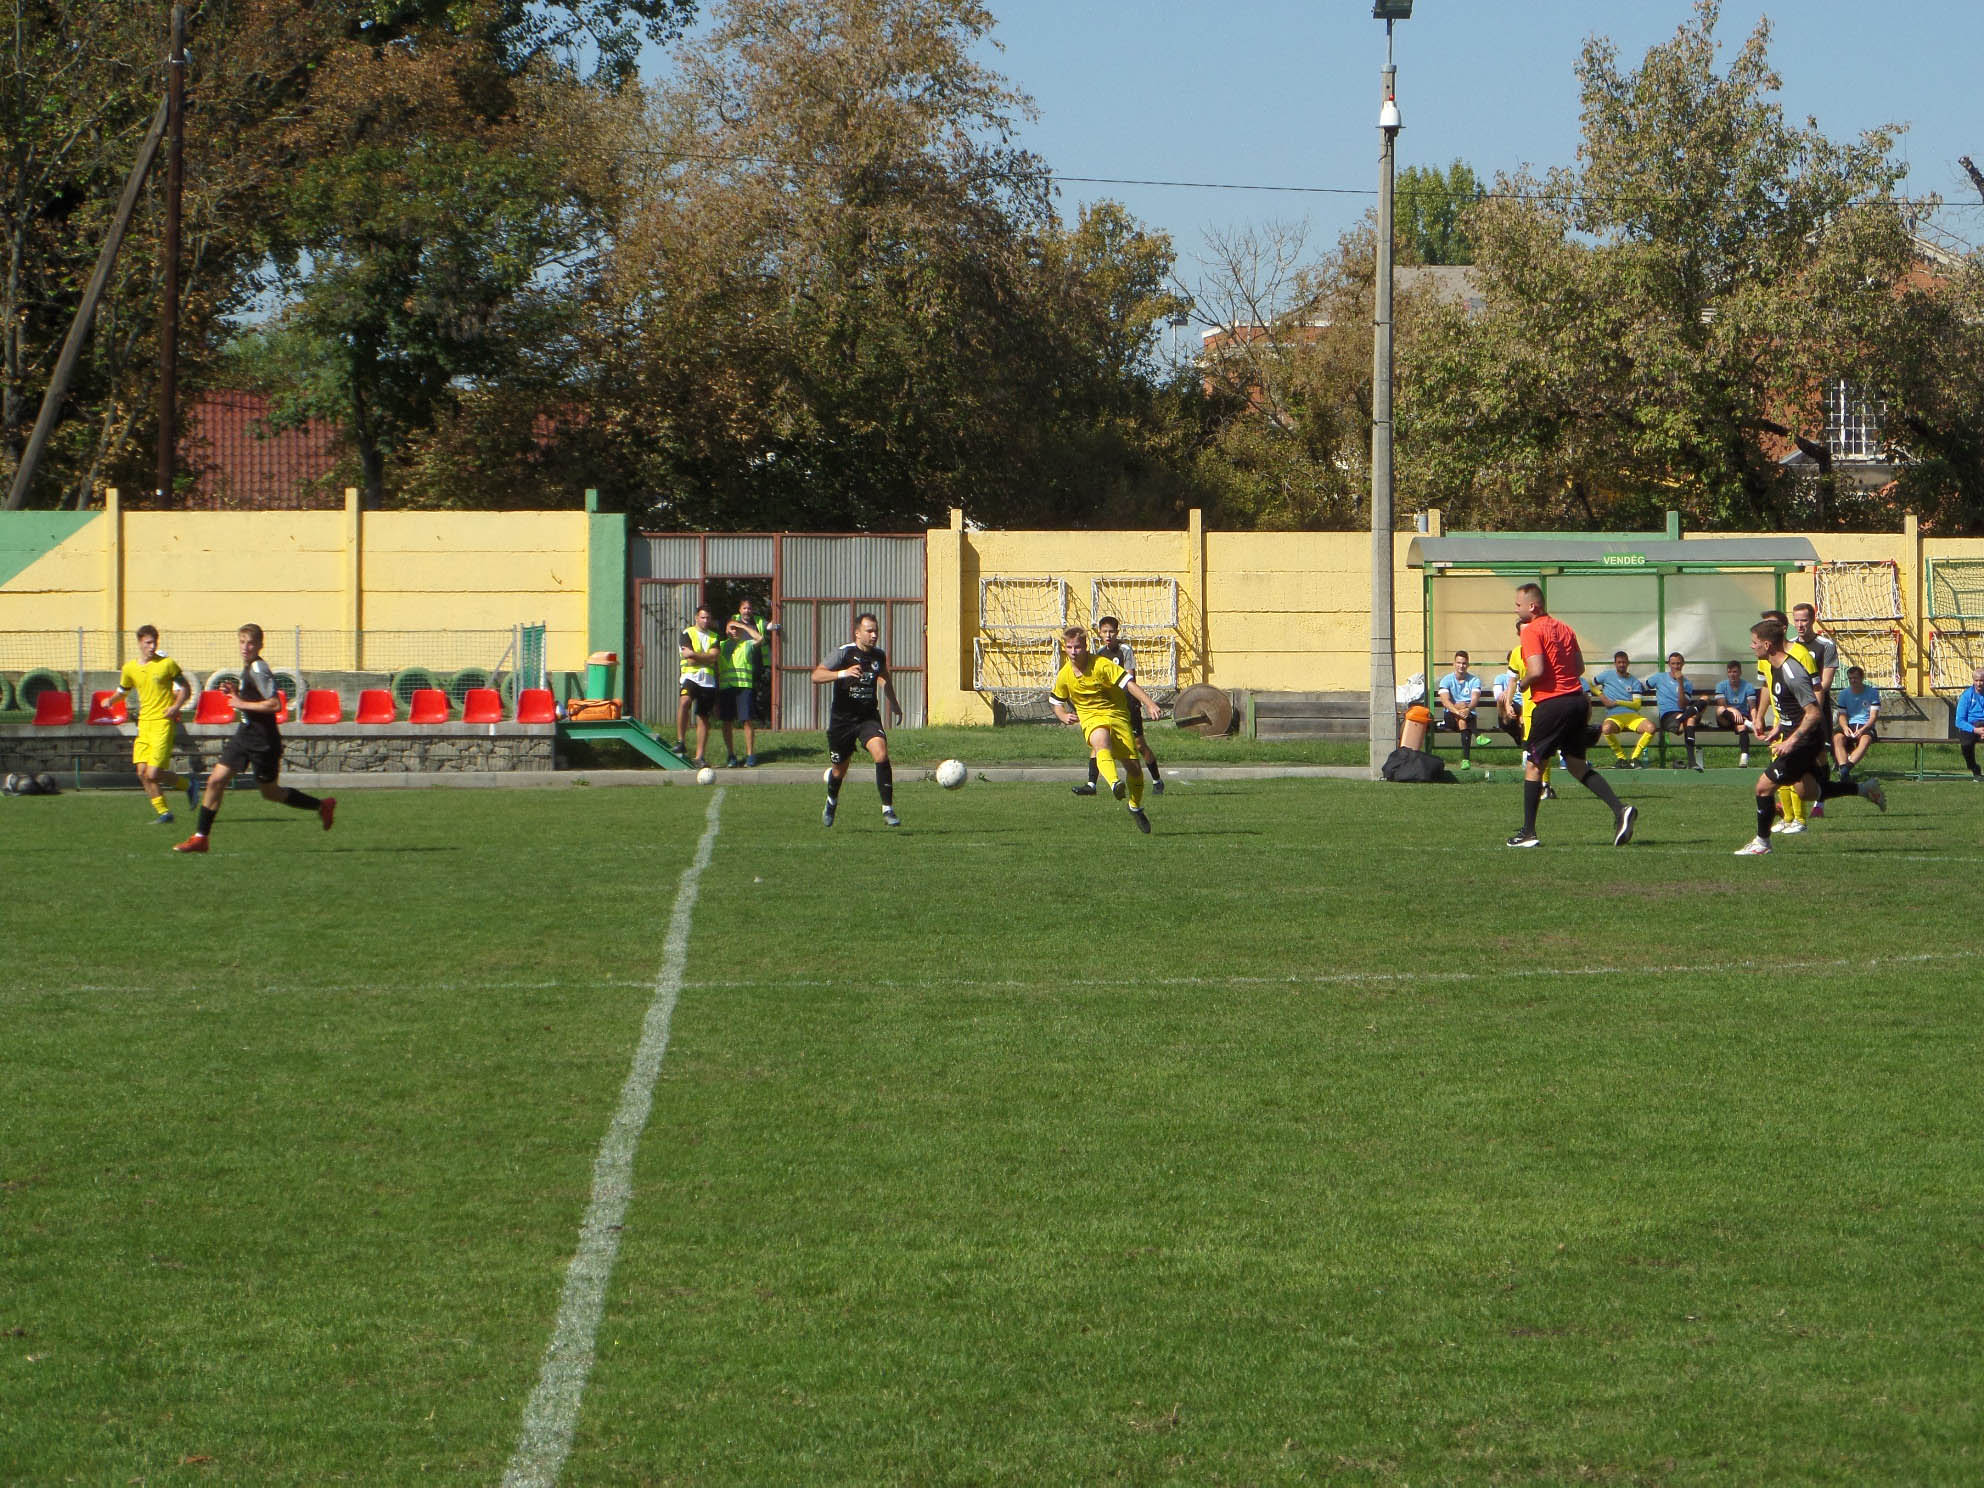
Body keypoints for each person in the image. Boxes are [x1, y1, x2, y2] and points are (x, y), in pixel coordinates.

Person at [173, 624, 334, 854]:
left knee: (270, 793)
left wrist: (240, 703)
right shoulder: (248, 667)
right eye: (242, 642)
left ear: (259, 645)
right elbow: (254, 699)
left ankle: (322, 805)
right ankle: (201, 838)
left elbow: (275, 704)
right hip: (245, 734)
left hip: (263, 741)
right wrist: (236, 693)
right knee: (215, 781)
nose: (245, 647)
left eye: (250, 643)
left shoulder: (259, 668)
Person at [1733, 618, 1884, 855]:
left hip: (1804, 741)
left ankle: (1762, 843)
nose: (1752, 647)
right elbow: (1791, 709)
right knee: (1809, 792)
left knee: (1763, 788)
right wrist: (1779, 728)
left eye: (1755, 642)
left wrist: (1791, 741)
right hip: (1797, 736)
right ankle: (1864, 789)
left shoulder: (1792, 672)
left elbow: (1813, 713)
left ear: (1767, 645)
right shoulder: (1773, 666)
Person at [1505, 584, 1637, 849]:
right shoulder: (1565, 628)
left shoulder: (1531, 630)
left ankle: (1528, 832)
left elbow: (1536, 670)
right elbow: (1578, 667)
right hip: (1577, 700)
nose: (1515, 609)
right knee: (1576, 764)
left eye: (1518, 604)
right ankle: (1620, 809)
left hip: (1552, 704)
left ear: (1532, 606)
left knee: (1534, 764)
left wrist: (1523, 684)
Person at [1050, 624, 1165, 833]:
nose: (1073, 652)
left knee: (1134, 769)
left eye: (1077, 647)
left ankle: (1135, 806)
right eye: (1069, 647)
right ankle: (1114, 783)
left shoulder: (1101, 665)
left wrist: (1149, 704)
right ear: (1064, 648)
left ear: (1085, 646)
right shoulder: (1064, 675)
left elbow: (1129, 684)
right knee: (1100, 741)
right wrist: (1063, 715)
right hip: (1091, 718)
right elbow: (1056, 702)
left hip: (1117, 715)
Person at [812, 612, 903, 827]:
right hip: (842, 721)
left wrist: (895, 704)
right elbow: (816, 675)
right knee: (838, 770)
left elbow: (884, 678)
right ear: (857, 633)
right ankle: (831, 801)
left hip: (867, 717)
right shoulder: (844, 653)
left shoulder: (878, 656)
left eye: (876, 631)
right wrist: (842, 674)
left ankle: (887, 809)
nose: (874, 635)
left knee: (881, 753)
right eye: (869, 631)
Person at [106, 623, 193, 824]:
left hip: (162, 723)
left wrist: (176, 706)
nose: (152, 646)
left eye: (154, 642)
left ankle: (188, 785)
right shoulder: (130, 668)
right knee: (142, 773)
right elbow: (123, 690)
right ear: (139, 643)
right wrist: (110, 700)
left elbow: (185, 688)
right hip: (144, 725)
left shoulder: (167, 664)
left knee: (153, 773)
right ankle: (164, 813)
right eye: (148, 643)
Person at [1073, 616, 1165, 796]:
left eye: (1111, 632)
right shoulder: (1099, 653)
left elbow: (1129, 679)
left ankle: (1156, 780)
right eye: (1104, 632)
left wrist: (1147, 703)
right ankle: (1091, 785)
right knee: (1098, 742)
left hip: (1128, 704)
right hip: (1108, 707)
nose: (1108, 635)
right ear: (1099, 633)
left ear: (1117, 632)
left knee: (1139, 744)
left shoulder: (1125, 650)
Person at [1496, 619, 1555, 798]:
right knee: (1534, 748)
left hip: (1547, 705)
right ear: (1518, 634)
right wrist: (1508, 703)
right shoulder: (1516, 653)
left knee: (1545, 747)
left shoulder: (1545, 651)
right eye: (1523, 632)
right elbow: (1512, 681)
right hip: (1529, 709)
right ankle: (1541, 785)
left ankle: (1545, 785)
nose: (1527, 634)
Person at [675, 605, 720, 769]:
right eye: (703, 617)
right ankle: (681, 741)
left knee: (703, 717)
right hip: (690, 677)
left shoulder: (714, 636)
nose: (705, 620)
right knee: (684, 702)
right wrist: (705, 657)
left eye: (708, 618)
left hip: (707, 680)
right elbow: (690, 660)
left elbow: (714, 657)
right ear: (696, 618)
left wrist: (695, 654)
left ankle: (699, 756)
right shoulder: (687, 633)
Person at [1592, 650, 1654, 766]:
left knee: (1651, 728)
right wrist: (1602, 696)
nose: (1622, 665)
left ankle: (1634, 758)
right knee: (1606, 728)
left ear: (1628, 663)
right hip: (1614, 717)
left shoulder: (1634, 681)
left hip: (1632, 717)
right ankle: (1621, 758)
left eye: (1624, 662)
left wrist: (1617, 702)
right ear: (1615, 663)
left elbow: (1637, 705)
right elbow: (1589, 684)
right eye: (1619, 662)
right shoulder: (1606, 675)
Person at [715, 614, 761, 767]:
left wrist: (743, 626)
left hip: (743, 688)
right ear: (726, 630)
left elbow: (760, 638)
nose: (734, 631)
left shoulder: (746, 644)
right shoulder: (720, 646)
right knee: (727, 722)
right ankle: (731, 755)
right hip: (726, 688)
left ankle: (750, 755)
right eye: (731, 628)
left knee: (746, 720)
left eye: (737, 628)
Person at [1651, 652, 1705, 770]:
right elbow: (1647, 684)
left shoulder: (1687, 683)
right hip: (1667, 717)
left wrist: (1680, 683)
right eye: (1673, 664)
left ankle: (1692, 762)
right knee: (1691, 719)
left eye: (1678, 663)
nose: (1676, 666)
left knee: (1704, 700)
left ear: (1683, 664)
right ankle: (1692, 761)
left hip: (1682, 715)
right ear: (1669, 664)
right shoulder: (1659, 677)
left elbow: (1681, 704)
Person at [1435, 650, 1484, 770]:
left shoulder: (1474, 680)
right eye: (1459, 663)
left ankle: (1466, 761)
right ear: (1454, 664)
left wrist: (1468, 709)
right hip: (1451, 716)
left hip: (1468, 715)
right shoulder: (1446, 680)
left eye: (1464, 663)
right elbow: (1445, 701)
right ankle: (1477, 737)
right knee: (1461, 709)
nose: (1461, 666)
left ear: (1468, 665)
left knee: (1463, 721)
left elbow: (1475, 699)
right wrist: (1459, 710)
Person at [1831, 665, 1881, 781]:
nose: (1853, 681)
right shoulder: (1844, 694)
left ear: (1862, 678)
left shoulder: (1872, 693)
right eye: (1850, 678)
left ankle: (1846, 769)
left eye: (1855, 678)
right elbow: (1842, 715)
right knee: (1837, 738)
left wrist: (1862, 730)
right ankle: (1843, 769)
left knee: (1865, 740)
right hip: (1850, 724)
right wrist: (1845, 727)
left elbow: (1873, 717)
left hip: (1866, 725)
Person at [1710, 660, 1758, 767]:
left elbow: (1752, 707)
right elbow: (1721, 704)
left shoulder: (1748, 686)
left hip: (1741, 719)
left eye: (1735, 672)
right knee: (1720, 710)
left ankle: (1744, 757)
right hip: (1725, 719)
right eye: (1730, 672)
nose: (1732, 674)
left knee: (1742, 727)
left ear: (1740, 672)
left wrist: (1755, 720)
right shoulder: (1721, 686)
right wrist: (1733, 710)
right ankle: (1747, 723)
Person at [1955, 667, 1984, 781]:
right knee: (1966, 745)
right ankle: (1975, 769)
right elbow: (1959, 721)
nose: (1979, 683)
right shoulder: (1966, 696)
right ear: (1973, 681)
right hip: (1970, 726)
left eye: (1981, 680)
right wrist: (1976, 730)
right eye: (1976, 680)